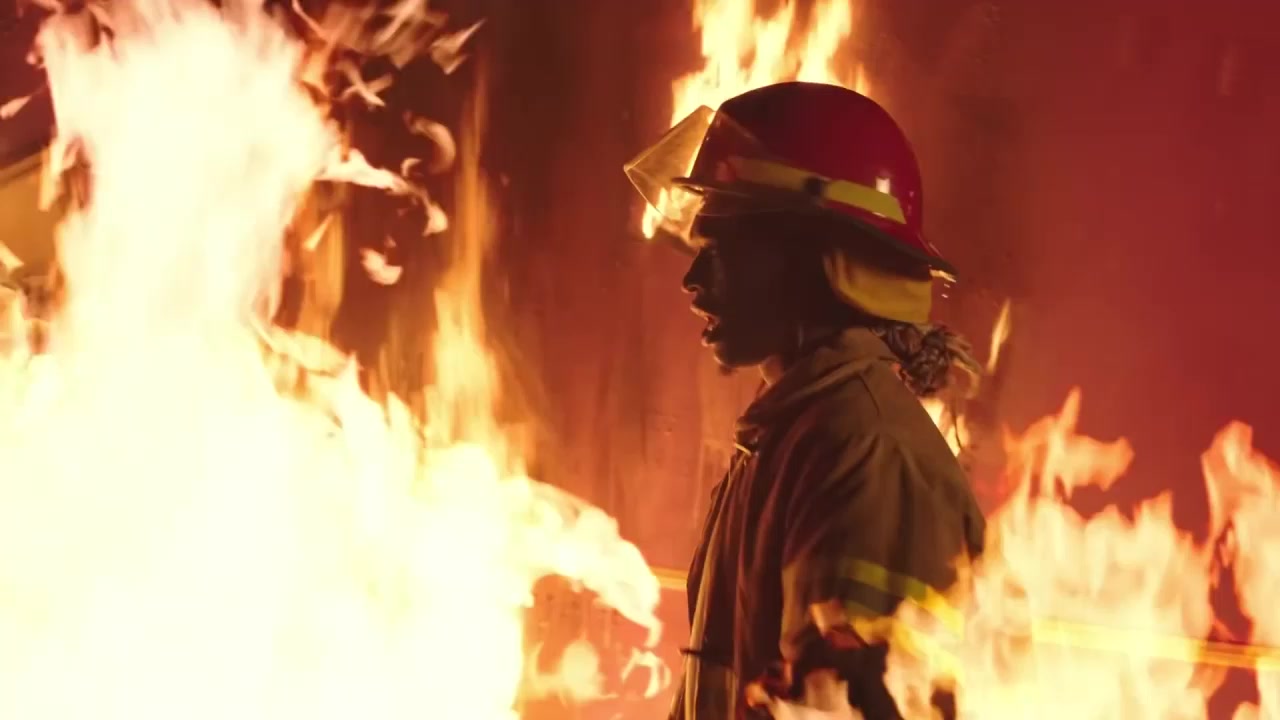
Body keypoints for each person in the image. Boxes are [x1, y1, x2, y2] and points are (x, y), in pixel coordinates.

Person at [624, 82, 987, 719]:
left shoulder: (867, 456)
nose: (692, 279)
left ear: (810, 257)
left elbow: (847, 705)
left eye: (722, 249)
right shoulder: (787, 437)